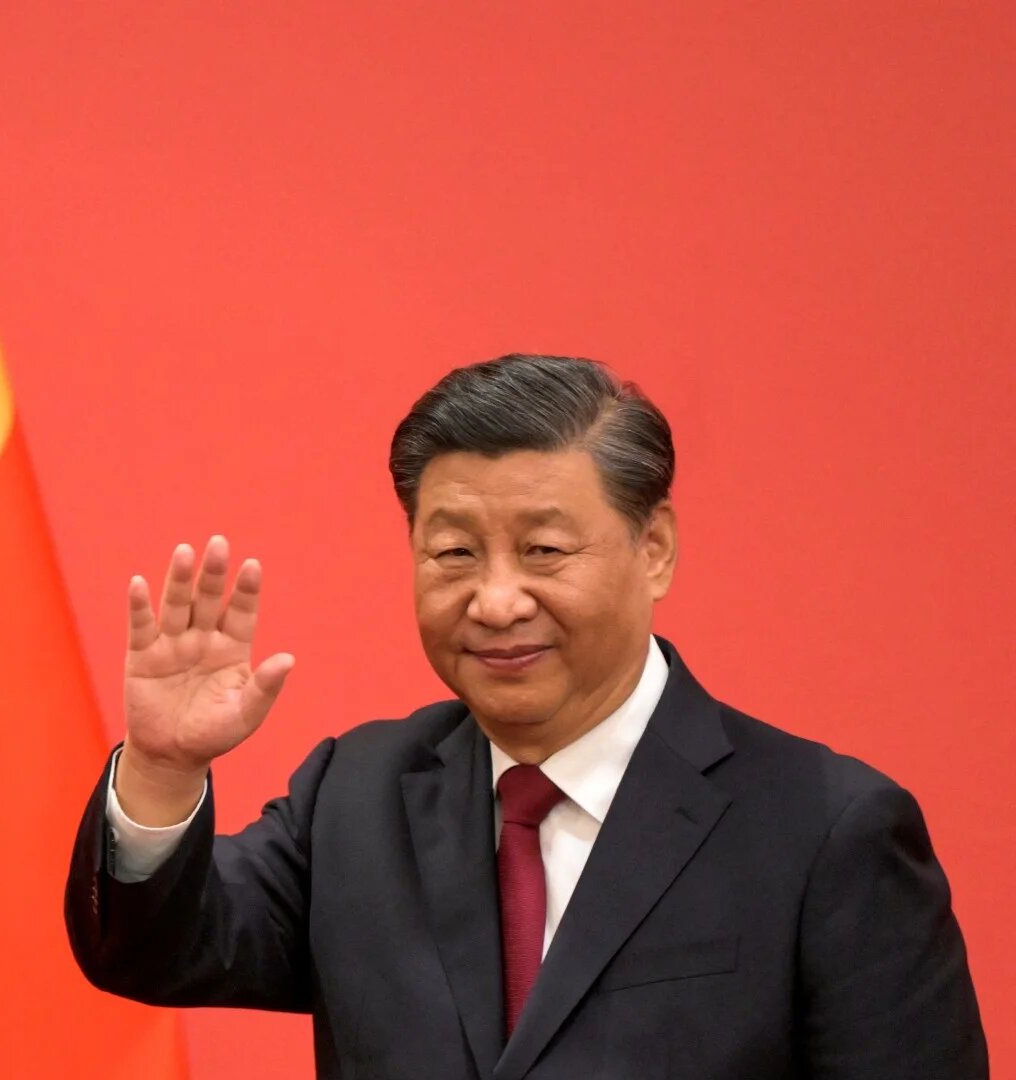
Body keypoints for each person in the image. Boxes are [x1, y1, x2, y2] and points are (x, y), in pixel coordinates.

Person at [63, 354, 986, 1079]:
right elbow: (153, 952)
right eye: (455, 552)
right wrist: (165, 767)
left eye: (543, 549)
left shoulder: (826, 830)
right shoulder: (357, 796)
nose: (496, 600)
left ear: (653, 548)